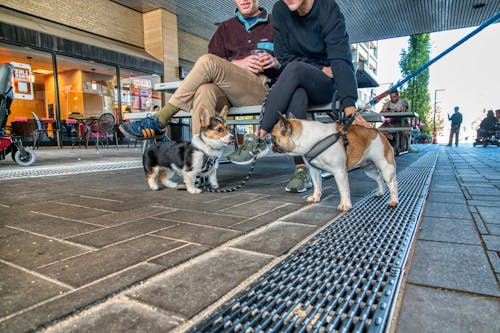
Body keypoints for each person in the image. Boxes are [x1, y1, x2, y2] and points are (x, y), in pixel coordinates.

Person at [228, 0, 370, 193]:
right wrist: (319, 67)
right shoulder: (280, 10)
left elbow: (341, 59)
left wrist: (349, 106)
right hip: (300, 78)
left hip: (326, 84)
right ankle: (302, 170)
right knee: (297, 93)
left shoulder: (328, 9)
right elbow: (284, 58)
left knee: (295, 70)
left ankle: (259, 137)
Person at [119, 0, 280, 139]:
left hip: (259, 90)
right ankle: (200, 159)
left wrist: (277, 62)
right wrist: (237, 63)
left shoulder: (276, 23)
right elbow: (214, 65)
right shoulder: (225, 28)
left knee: (207, 61)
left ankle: (160, 118)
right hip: (227, 94)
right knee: (204, 90)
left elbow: (293, 60)